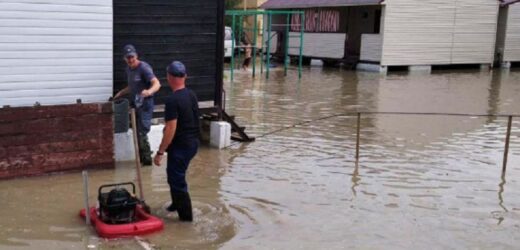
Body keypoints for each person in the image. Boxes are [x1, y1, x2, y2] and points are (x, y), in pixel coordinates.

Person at [154, 61, 200, 222]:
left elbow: (171, 128)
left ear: (169, 77)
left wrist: (160, 152)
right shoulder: (191, 94)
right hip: (193, 143)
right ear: (185, 76)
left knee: (177, 181)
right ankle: (175, 204)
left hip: (181, 147)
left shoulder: (172, 100)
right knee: (173, 176)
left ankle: (186, 221)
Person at [114, 45, 161, 166]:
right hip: (136, 103)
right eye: (128, 57)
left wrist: (149, 92)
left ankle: (146, 162)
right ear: (124, 58)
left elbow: (157, 84)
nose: (130, 60)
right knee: (136, 130)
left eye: (132, 57)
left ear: (136, 56)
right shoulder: (128, 69)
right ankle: (141, 160)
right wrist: (120, 93)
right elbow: (132, 86)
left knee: (142, 132)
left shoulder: (144, 68)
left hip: (146, 104)